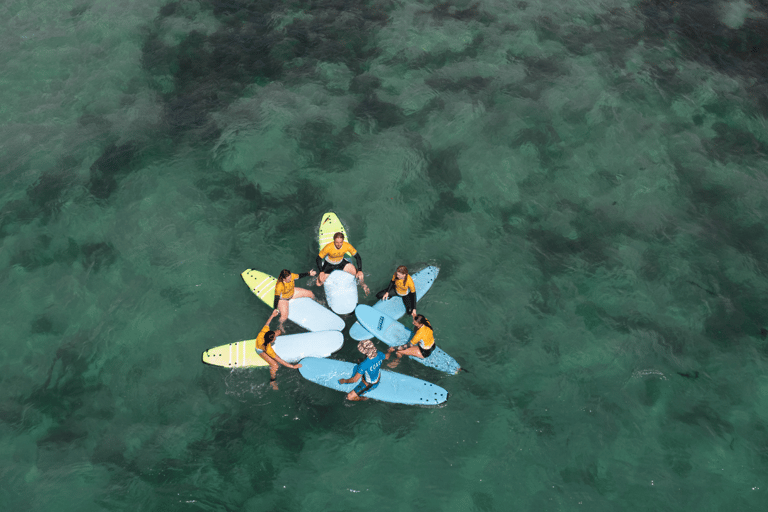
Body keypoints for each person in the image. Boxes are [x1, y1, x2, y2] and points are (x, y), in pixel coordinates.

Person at [255, 310, 301, 390]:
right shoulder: (268, 349)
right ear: (271, 341)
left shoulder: (263, 332)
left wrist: (273, 315)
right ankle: (272, 381)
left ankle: (283, 330)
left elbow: (267, 323)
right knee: (275, 365)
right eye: (274, 338)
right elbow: (280, 360)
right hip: (259, 350)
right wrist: (293, 366)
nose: (275, 338)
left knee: (279, 331)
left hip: (263, 340)